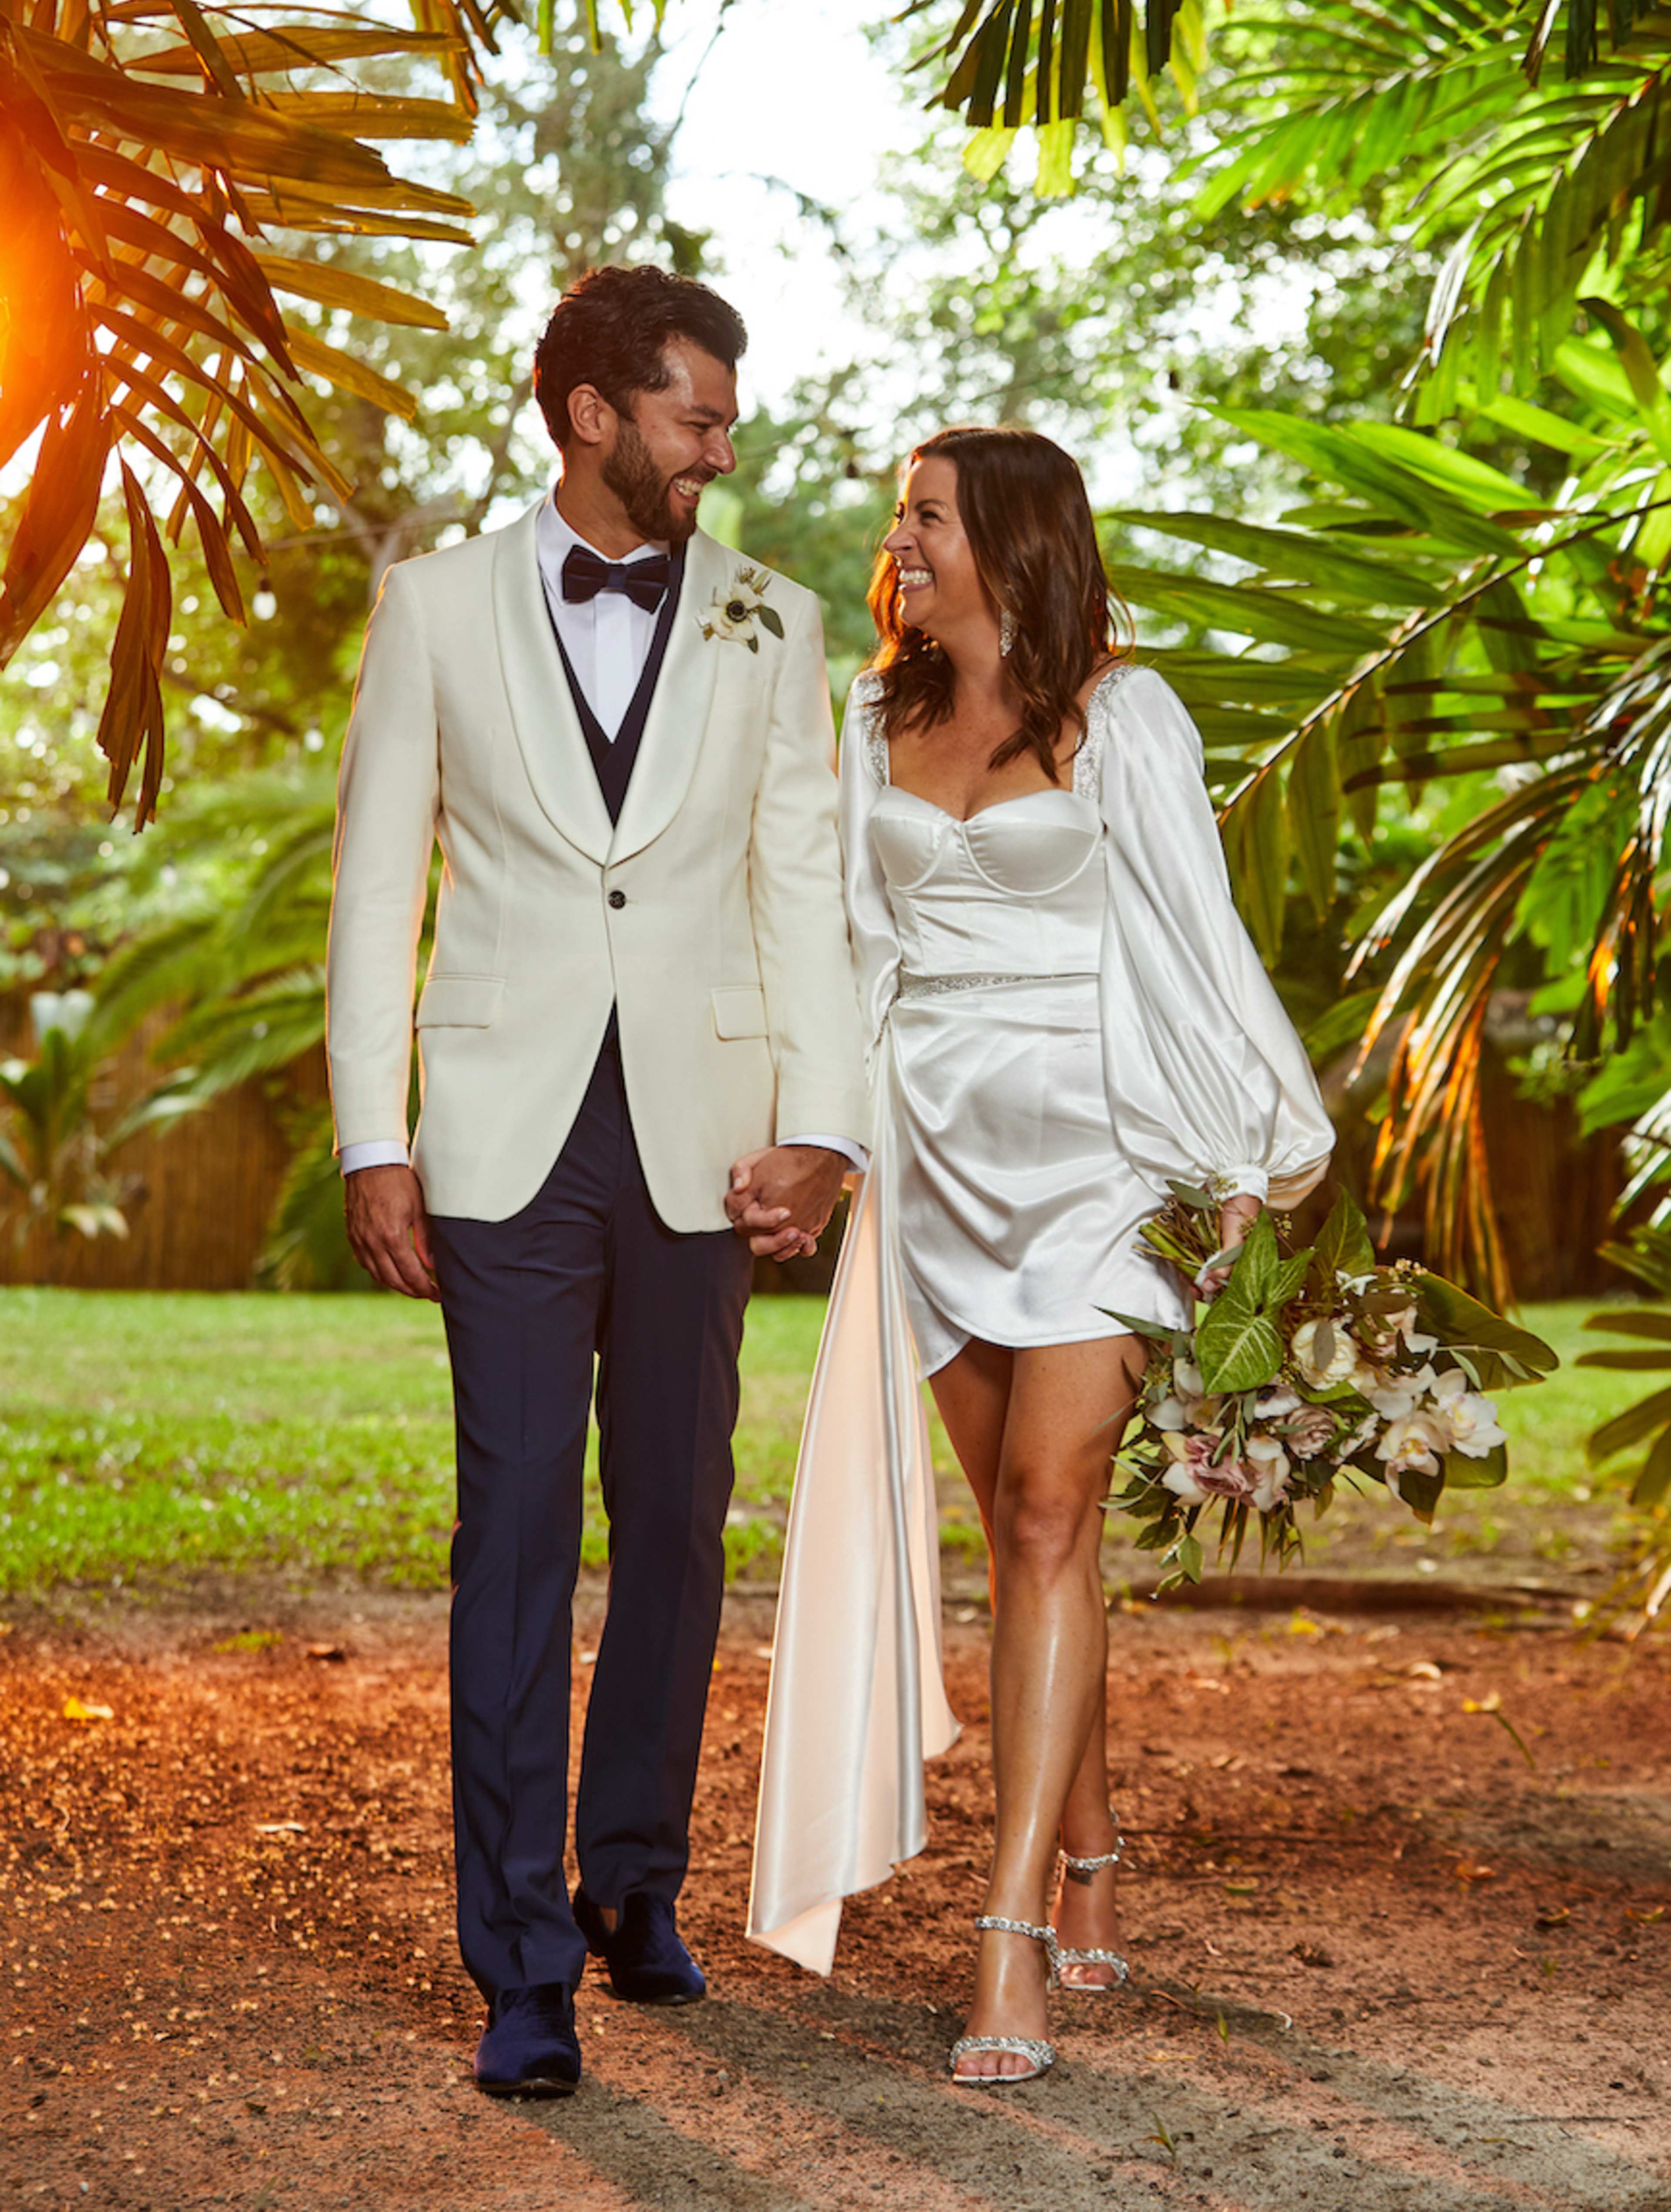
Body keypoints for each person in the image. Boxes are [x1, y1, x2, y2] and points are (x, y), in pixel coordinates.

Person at [325, 264, 868, 2098]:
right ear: (591, 415)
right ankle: (522, 1961)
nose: (724, 444)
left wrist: (822, 1119)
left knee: (678, 1519)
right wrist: (372, 1134)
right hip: (499, 1130)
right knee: (517, 1537)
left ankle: (636, 1882)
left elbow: (802, 881)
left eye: (722, 415)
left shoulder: (774, 623)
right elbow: (375, 879)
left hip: (704, 1136)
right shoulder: (437, 608)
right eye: (697, 414)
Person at [746, 425, 1333, 2087]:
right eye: (900, 519)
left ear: (1009, 536)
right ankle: (1088, 1847)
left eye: (926, 515)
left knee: (1049, 1514)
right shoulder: (875, 716)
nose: (899, 540)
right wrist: (825, 1135)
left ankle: (1009, 1937)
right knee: (1020, 1543)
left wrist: (1240, 1166)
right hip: (932, 1165)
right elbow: (841, 946)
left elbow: (1191, 935)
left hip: (1097, 1158)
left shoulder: (1122, 715)